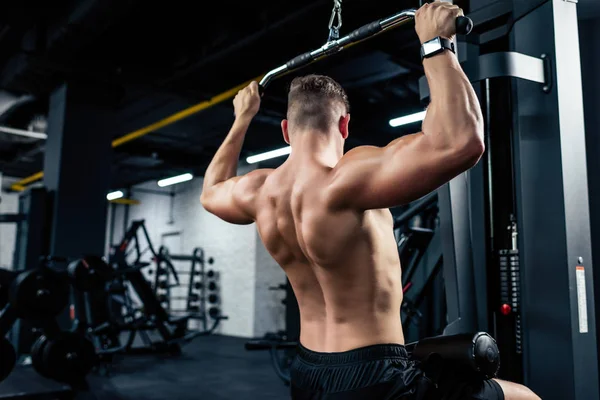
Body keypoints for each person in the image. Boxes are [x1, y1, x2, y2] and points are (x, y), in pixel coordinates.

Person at [200, 1, 541, 399]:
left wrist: (242, 118)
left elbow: (211, 190)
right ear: (345, 123)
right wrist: (436, 45)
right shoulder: (346, 179)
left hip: (307, 372)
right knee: (524, 397)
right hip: (375, 375)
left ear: (285, 131)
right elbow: (461, 142)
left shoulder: (260, 192)